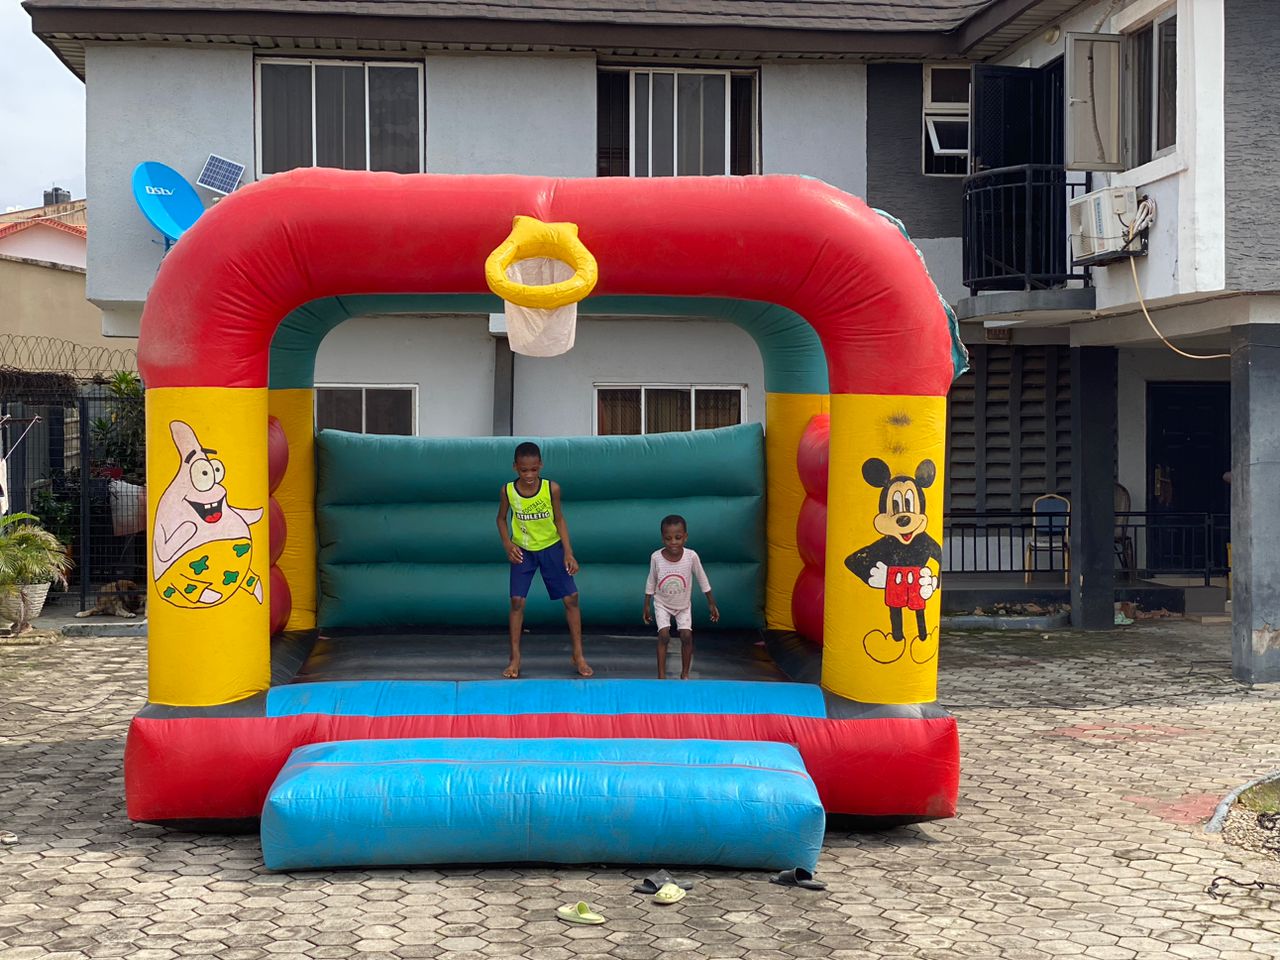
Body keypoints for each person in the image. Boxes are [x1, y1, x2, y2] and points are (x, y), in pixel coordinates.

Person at [497, 441, 592, 680]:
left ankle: (578, 654)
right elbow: (500, 519)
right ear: (515, 467)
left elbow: (559, 519)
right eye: (523, 470)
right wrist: (508, 544)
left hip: (551, 547)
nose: (529, 475)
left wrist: (568, 552)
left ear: (540, 465)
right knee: (517, 601)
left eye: (533, 469)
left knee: (571, 598)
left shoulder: (551, 489)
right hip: (523, 550)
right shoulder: (508, 491)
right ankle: (514, 657)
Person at [643, 515, 719, 680]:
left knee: (686, 636)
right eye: (668, 538)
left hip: (683, 605)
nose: (673, 542)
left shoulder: (691, 557)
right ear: (662, 539)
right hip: (662, 603)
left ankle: (685, 674)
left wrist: (711, 603)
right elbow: (651, 581)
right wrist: (647, 604)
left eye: (678, 538)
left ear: (685, 537)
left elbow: (702, 579)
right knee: (664, 635)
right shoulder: (656, 557)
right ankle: (661, 676)